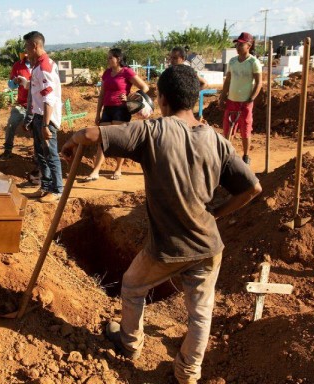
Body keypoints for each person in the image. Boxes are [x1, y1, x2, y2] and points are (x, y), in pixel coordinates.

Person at [61, 65, 262, 384]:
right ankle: (188, 374)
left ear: (163, 98)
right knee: (200, 314)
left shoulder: (153, 131)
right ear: (194, 99)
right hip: (208, 245)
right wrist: (219, 213)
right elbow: (252, 188)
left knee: (132, 286)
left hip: (167, 248)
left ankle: (130, 343)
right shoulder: (217, 140)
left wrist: (72, 140)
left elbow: (91, 134)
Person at [82, 48, 149, 182]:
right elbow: (102, 95)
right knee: (102, 139)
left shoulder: (126, 72)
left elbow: (145, 87)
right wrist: (97, 113)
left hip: (121, 109)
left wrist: (131, 96)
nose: (107, 60)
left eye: (110, 57)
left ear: (118, 59)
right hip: (107, 109)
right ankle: (96, 171)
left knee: (119, 140)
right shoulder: (106, 73)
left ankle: (118, 169)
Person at [23, 31, 63, 203]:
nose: (25, 51)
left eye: (26, 47)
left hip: (47, 119)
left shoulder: (44, 67)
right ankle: (45, 187)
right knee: (41, 155)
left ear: (34, 46)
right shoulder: (38, 66)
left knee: (51, 155)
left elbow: (49, 98)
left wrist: (46, 125)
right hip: (39, 117)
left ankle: (57, 190)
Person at [218, 32, 262, 165]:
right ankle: (227, 154)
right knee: (227, 128)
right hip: (232, 100)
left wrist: (251, 98)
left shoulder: (253, 62)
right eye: (237, 44)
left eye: (241, 44)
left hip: (246, 102)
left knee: (245, 128)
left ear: (249, 45)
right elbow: (228, 80)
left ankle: (246, 156)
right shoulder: (232, 61)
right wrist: (223, 96)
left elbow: (259, 82)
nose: (238, 46)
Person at [0, 52, 32, 160]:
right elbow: (11, 84)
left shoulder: (38, 65)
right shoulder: (17, 65)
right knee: (11, 124)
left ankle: (39, 155)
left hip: (36, 106)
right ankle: (7, 150)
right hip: (22, 104)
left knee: (38, 128)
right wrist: (14, 81)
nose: (27, 56)